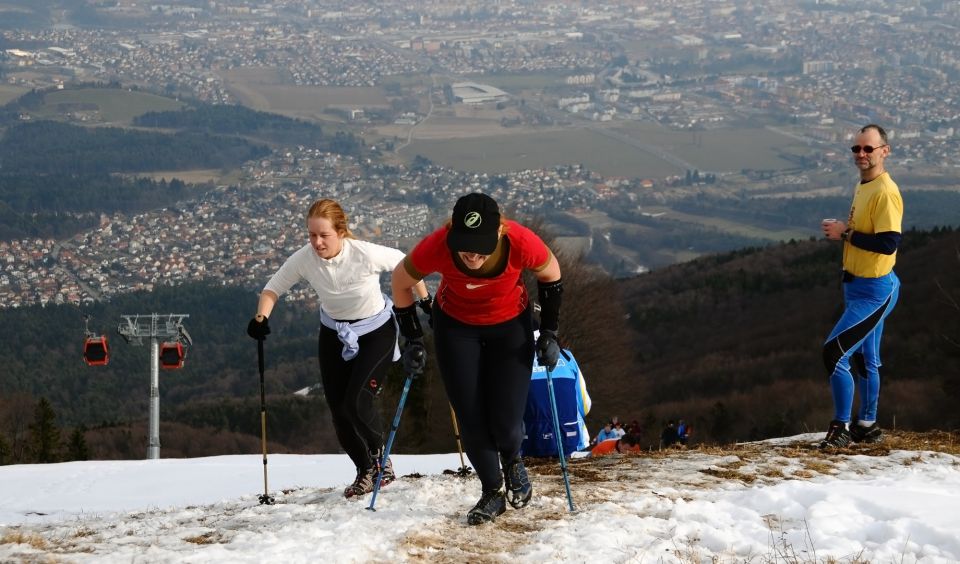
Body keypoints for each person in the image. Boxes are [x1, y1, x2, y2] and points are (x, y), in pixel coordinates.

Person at [391, 192, 563, 525]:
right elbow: (401, 282)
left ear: (498, 232)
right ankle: (491, 492)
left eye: (480, 245)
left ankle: (513, 461)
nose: (471, 254)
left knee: (506, 418)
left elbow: (551, 273)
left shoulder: (520, 241)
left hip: (510, 326)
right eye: (464, 244)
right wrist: (411, 337)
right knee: (470, 414)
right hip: (456, 328)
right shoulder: (439, 244)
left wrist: (550, 332)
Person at [246, 199, 430, 498]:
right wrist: (260, 318)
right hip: (334, 332)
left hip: (375, 331)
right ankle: (365, 470)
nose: (316, 242)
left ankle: (381, 461)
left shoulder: (364, 253)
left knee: (358, 400)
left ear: (341, 232)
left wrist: (424, 302)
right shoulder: (305, 258)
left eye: (323, 235)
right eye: (312, 235)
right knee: (339, 411)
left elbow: (407, 265)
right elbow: (273, 287)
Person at [819, 124, 903, 449]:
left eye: (868, 149)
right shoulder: (865, 185)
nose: (861, 154)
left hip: (875, 291)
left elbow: (888, 243)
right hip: (857, 289)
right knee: (867, 359)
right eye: (857, 149)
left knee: (835, 354)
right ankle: (866, 425)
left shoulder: (885, 191)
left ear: (885, 150)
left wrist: (845, 234)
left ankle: (840, 428)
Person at [522, 332, 591, 458]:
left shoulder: (517, 362)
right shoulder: (567, 357)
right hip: (568, 440)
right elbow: (585, 405)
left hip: (531, 442)